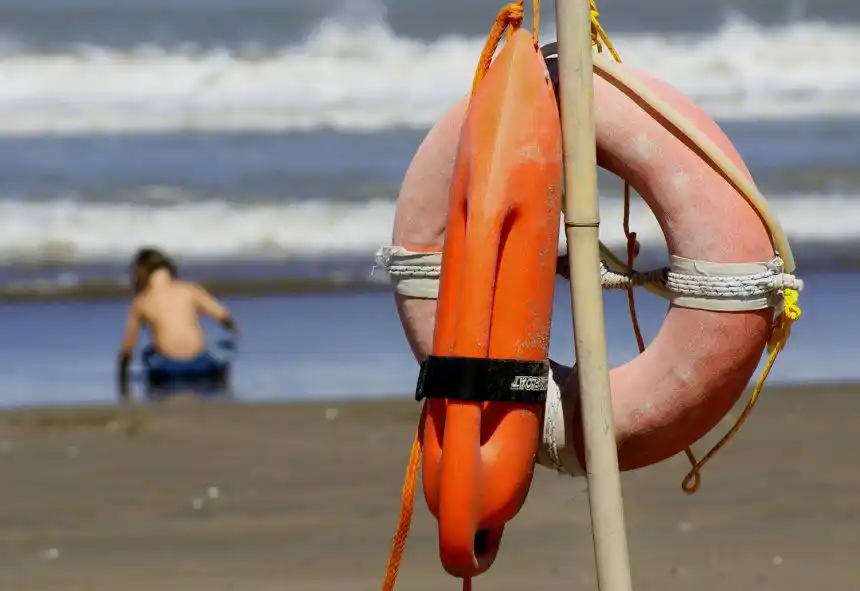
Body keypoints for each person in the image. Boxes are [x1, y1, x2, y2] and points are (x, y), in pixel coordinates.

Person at [117, 248, 240, 398]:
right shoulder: (189, 290)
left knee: (148, 353)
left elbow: (128, 347)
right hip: (202, 365)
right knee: (219, 346)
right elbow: (222, 315)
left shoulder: (142, 301)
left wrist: (122, 380)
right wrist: (234, 330)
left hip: (168, 369)